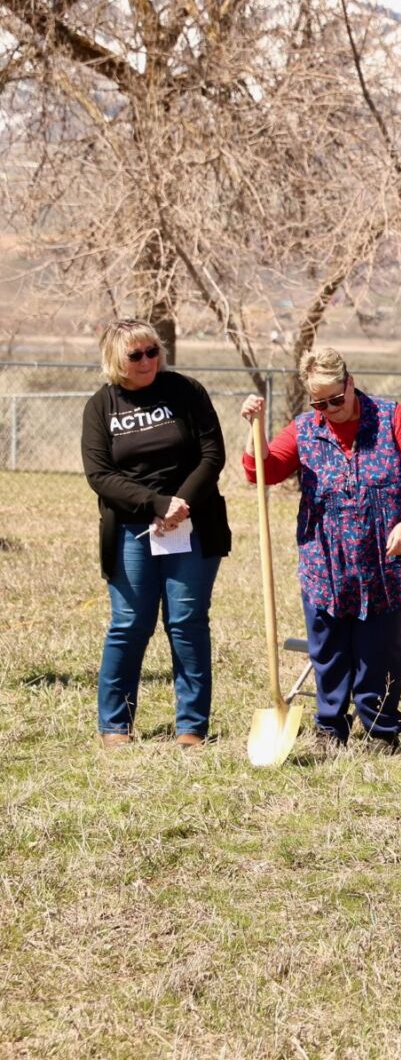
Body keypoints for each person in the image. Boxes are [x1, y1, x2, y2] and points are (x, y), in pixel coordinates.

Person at [239, 348, 401, 748]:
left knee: (378, 648)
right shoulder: (304, 429)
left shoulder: (391, 418)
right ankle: (330, 728)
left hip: (387, 555)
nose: (330, 408)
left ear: (350, 383)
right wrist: (255, 426)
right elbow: (260, 470)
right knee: (328, 646)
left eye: (336, 398)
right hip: (325, 556)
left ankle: (382, 728)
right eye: (320, 402)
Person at [81, 319, 231, 748]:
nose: (147, 360)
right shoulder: (101, 406)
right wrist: (155, 504)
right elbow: (100, 474)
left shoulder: (185, 390)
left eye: (152, 351)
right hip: (131, 530)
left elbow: (211, 453)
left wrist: (180, 503)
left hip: (192, 524)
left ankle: (191, 727)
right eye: (135, 355)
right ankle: (115, 725)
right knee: (129, 624)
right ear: (115, 359)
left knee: (186, 623)